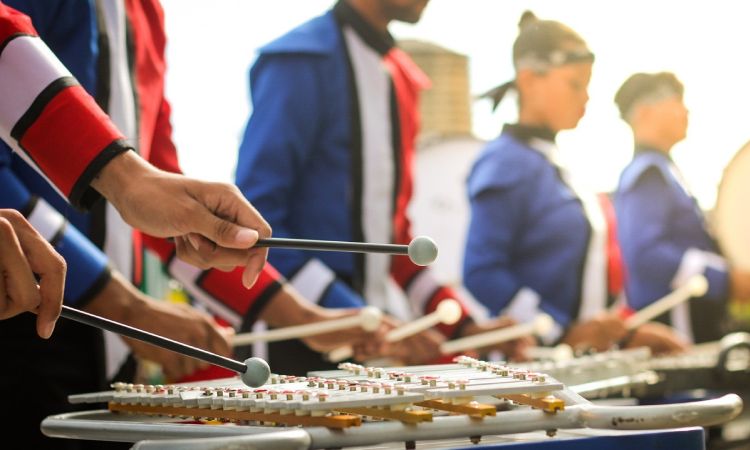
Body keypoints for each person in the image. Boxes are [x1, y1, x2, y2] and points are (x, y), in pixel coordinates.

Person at [236, 0, 530, 374]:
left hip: (372, 340)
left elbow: (393, 240)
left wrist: (465, 326)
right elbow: (259, 228)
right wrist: (355, 315)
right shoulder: (299, 61)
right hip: (288, 348)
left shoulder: (402, 79)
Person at [0, 1, 271, 336]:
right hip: (30, 311)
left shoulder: (147, 11)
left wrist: (305, 317)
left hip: (108, 331)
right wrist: (125, 307)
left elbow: (162, 189)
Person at [462, 11, 687, 355]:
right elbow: (482, 270)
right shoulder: (506, 160)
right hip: (530, 368)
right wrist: (556, 330)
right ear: (529, 79)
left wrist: (624, 332)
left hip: (575, 365)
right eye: (575, 84)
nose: (586, 97)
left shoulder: (558, 162)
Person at [613, 72, 750, 344]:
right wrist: (725, 279)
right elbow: (647, 254)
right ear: (644, 112)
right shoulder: (648, 173)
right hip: (675, 330)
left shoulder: (665, 171)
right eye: (676, 101)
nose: (685, 110)